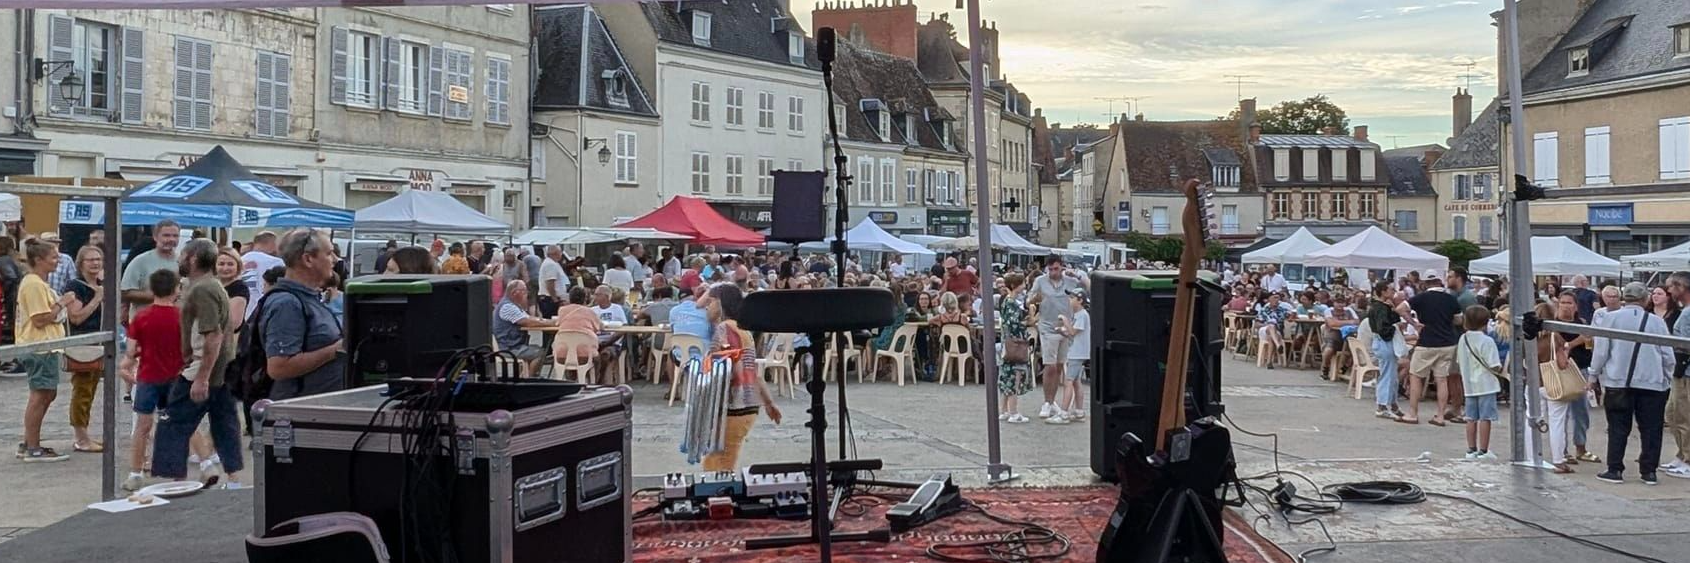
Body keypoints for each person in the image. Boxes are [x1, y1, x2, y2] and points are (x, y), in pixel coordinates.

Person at [149, 239, 242, 487]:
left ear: (192, 259)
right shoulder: (214, 286)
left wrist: (201, 377)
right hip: (221, 370)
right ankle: (233, 481)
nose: (178, 259)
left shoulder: (203, 289)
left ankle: (173, 481)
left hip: (205, 370)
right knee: (225, 424)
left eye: (182, 255)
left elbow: (213, 335)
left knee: (173, 422)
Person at [1590, 282, 1676, 485]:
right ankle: (1649, 471)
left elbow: (1601, 351)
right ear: (1645, 299)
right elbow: (1667, 354)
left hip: (1618, 381)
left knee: (1618, 426)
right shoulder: (1656, 322)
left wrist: (1593, 377)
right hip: (1652, 382)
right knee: (1651, 428)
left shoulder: (1610, 319)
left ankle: (1615, 469)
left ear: (1623, 298)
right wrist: (1667, 377)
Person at [700, 283, 781, 471]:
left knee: (717, 465)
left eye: (710, 302)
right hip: (748, 405)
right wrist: (768, 402)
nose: (706, 306)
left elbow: (733, 367)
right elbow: (752, 371)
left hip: (733, 405)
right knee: (726, 458)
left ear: (721, 304)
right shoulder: (743, 329)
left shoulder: (724, 328)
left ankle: (719, 497)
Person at [261, 230, 347, 400]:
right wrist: (336, 349)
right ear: (308, 259)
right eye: (329, 253)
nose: (335, 260)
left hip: (320, 409)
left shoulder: (310, 297)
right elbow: (279, 367)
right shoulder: (287, 303)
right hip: (301, 410)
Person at [119, 269, 184, 488]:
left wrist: (132, 360)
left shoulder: (142, 317)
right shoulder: (181, 316)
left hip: (148, 376)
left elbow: (130, 350)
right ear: (177, 290)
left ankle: (135, 472)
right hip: (175, 376)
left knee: (142, 426)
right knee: (177, 425)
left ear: (151, 290)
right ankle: (178, 472)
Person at [15, 238, 73, 462]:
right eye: (54, 257)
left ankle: (30, 442)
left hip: (46, 346)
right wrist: (63, 302)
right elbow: (40, 319)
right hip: (40, 347)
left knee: (46, 393)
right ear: (39, 260)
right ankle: (32, 446)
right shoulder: (33, 284)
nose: (57, 261)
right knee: (40, 396)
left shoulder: (38, 283)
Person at [1029, 255, 1088, 421]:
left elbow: (1087, 288)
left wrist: (1077, 275)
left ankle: (1053, 401)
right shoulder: (1040, 281)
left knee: (1060, 365)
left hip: (1065, 328)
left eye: (1056, 268)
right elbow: (1029, 299)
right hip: (1047, 327)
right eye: (1050, 269)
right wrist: (1034, 299)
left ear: (1061, 267)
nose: (1053, 272)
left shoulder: (1070, 282)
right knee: (1050, 366)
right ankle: (1047, 402)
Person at [63, 245, 106, 453]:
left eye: (98, 259)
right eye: (90, 260)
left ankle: (85, 433)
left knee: (91, 390)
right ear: (81, 263)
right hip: (83, 342)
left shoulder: (101, 284)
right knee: (82, 390)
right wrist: (97, 299)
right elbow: (76, 317)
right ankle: (80, 437)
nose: (95, 263)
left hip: (100, 343)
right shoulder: (75, 286)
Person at [1405, 270, 1461, 426]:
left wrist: (1413, 323)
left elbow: (1401, 308)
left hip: (1426, 342)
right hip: (1448, 342)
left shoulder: (1420, 298)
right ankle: (1440, 415)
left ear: (1425, 283)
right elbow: (1458, 320)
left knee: (1416, 377)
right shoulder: (1451, 299)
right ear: (1439, 281)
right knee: (1442, 379)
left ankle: (1413, 413)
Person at [1534, 301, 1580, 474]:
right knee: (1557, 422)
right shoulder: (1554, 337)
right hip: (1553, 383)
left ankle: (1530, 457)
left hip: (1533, 383)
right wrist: (1566, 351)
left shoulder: (1526, 337)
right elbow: (1562, 363)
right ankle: (1558, 460)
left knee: (1532, 419)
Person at [1554, 290, 1599, 463]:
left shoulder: (1581, 323)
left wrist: (1572, 344)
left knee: (1581, 412)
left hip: (1581, 369)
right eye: (1563, 302)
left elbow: (1588, 341)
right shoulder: (1553, 324)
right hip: (1561, 372)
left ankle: (1581, 447)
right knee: (1561, 413)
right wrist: (1570, 344)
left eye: (1569, 303)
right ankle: (1562, 450)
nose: (1566, 306)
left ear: (1576, 306)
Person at [1455, 305, 1502, 460]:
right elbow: (1494, 363)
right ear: (1486, 322)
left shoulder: (1463, 339)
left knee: (1471, 418)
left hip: (1468, 384)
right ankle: (1484, 450)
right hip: (1486, 384)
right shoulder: (1487, 341)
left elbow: (1459, 360)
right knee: (1485, 417)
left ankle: (1471, 449)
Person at [120, 220, 182, 325]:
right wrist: (159, 296)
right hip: (144, 325)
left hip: (174, 325)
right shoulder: (140, 261)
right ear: (155, 237)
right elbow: (125, 292)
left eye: (175, 236)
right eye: (166, 235)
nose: (171, 239)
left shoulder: (182, 261)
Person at [492, 280, 551, 374]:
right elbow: (527, 322)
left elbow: (529, 318)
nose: (526, 294)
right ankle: (530, 381)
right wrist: (550, 323)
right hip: (509, 348)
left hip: (512, 345)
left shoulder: (512, 305)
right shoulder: (507, 307)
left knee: (535, 349)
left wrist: (546, 321)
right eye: (524, 291)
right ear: (515, 293)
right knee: (540, 353)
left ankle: (525, 376)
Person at [996, 273, 1033, 423]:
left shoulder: (1007, 301)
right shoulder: (1011, 302)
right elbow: (1014, 324)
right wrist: (1027, 321)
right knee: (1014, 376)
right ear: (1014, 285)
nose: (1024, 286)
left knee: (1006, 375)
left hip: (1007, 343)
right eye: (1022, 283)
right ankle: (1014, 412)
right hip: (1016, 344)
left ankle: (1004, 410)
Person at [1367, 281, 1405, 420]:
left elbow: (1392, 319)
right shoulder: (1380, 308)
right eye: (1390, 289)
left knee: (1391, 375)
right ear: (1383, 292)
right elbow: (1383, 327)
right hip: (1384, 341)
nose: (1393, 291)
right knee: (1388, 374)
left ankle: (1392, 404)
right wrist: (1395, 328)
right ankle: (1382, 405)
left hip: (1381, 341)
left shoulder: (1380, 306)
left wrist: (1393, 309)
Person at [1053, 288, 1090, 424]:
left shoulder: (1081, 314)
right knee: (1076, 381)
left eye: (1072, 298)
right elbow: (1072, 333)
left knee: (1068, 381)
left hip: (1077, 352)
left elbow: (1073, 331)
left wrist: (1064, 320)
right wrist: (1063, 331)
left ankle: (1064, 413)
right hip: (1077, 351)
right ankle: (1079, 411)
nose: (1069, 300)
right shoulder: (1078, 315)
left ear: (1080, 300)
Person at [553, 287, 602, 369]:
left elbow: (557, 323)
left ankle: (571, 379)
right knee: (596, 359)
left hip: (562, 352)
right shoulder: (590, 312)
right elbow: (598, 328)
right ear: (585, 299)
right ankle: (595, 380)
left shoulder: (562, 310)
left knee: (566, 356)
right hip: (586, 353)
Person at [240, 231, 284, 320]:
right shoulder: (277, 262)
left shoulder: (238, 261)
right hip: (265, 311)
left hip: (242, 312)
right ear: (272, 243)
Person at [589, 285, 628, 382]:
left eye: (598, 295)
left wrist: (609, 341)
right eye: (595, 294)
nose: (595, 297)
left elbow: (624, 328)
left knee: (605, 354)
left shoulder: (617, 309)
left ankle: (601, 380)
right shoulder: (592, 310)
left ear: (607, 296)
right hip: (594, 342)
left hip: (612, 343)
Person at [1255, 292, 1294, 368]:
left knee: (1271, 336)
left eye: (1278, 298)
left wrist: (1292, 317)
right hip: (1264, 330)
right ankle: (1278, 345)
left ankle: (1269, 362)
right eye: (1274, 298)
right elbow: (1257, 324)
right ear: (1269, 299)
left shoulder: (1283, 310)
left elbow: (1291, 319)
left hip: (1277, 332)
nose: (1276, 300)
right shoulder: (1263, 310)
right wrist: (1267, 325)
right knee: (1271, 326)